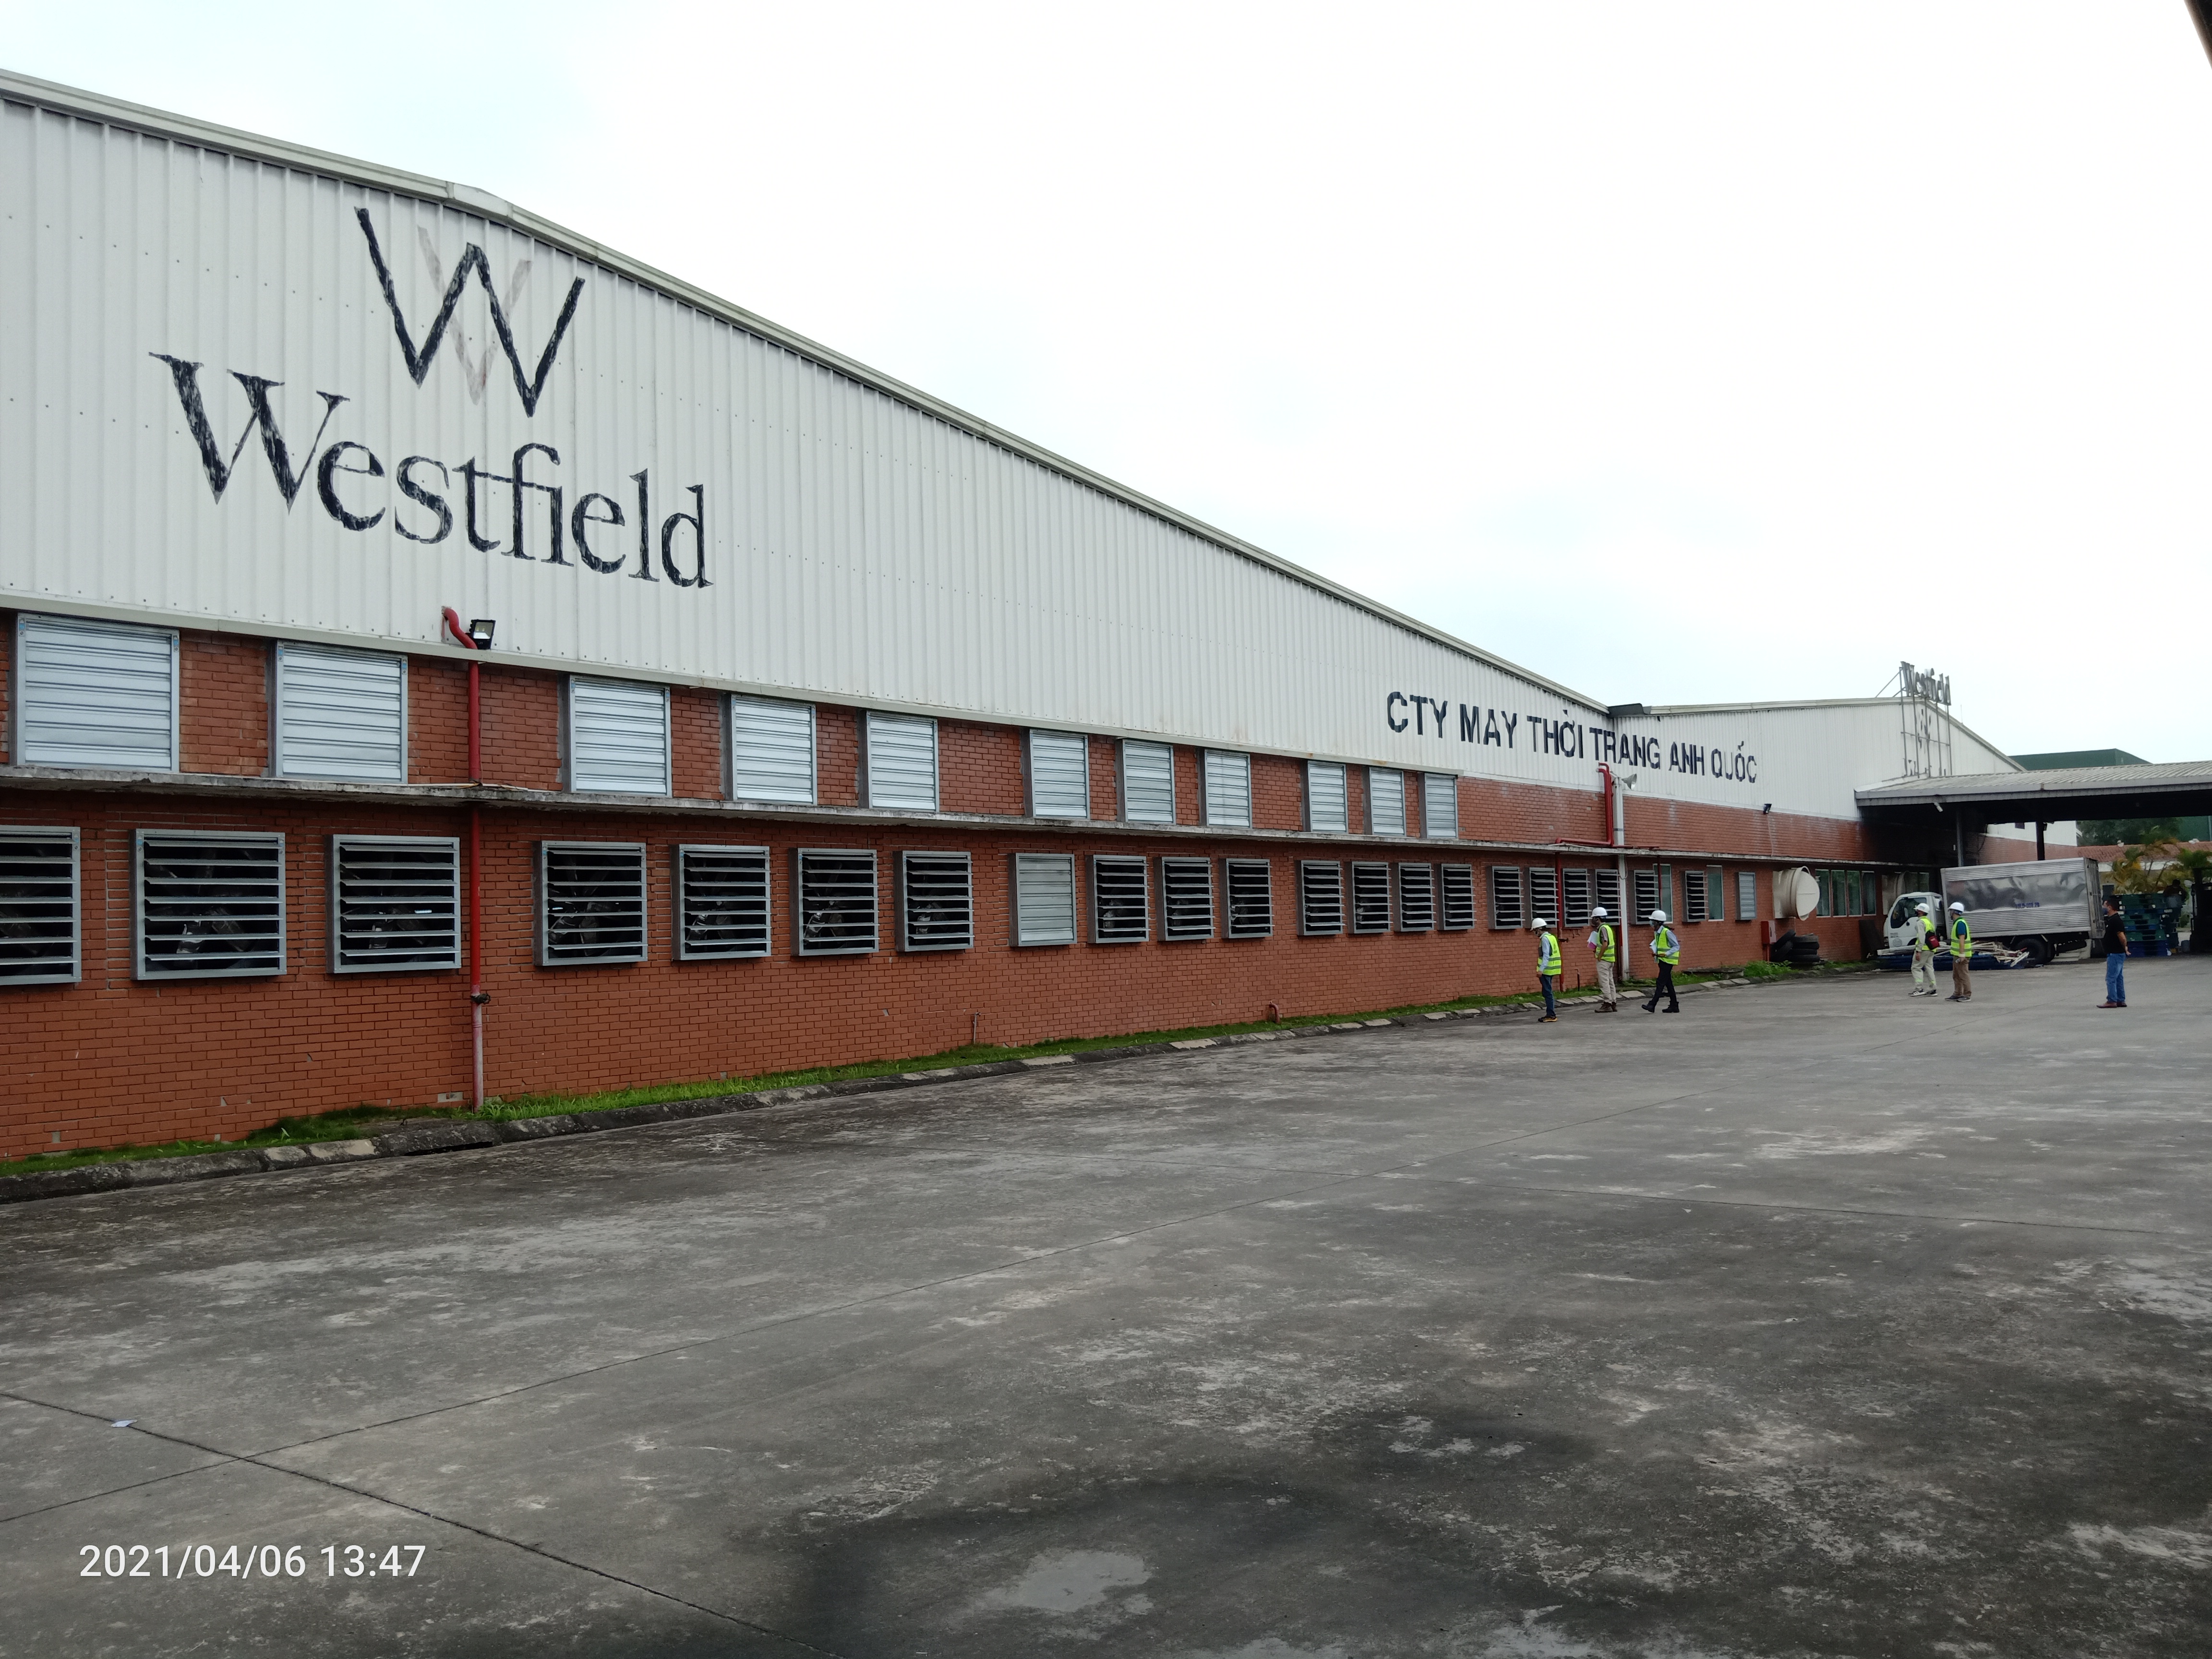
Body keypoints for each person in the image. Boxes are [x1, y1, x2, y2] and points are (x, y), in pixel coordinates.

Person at [1642, 910, 1681, 1013]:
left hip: (1668, 961)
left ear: (1658, 922)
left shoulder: (1667, 932)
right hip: (1662, 961)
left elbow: (1676, 946)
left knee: (1660, 983)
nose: (1651, 923)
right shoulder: (1657, 932)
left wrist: (1666, 954)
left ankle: (1652, 1004)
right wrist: (1656, 952)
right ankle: (1674, 1005)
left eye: (1653, 921)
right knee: (1668, 984)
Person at [2099, 896, 2128, 1008]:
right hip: (2116, 953)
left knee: (2111, 978)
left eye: (2105, 906)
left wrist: (2125, 947)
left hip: (2115, 954)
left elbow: (2122, 937)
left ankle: (2112, 1000)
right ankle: (2121, 1000)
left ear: (2110, 907)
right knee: (2118, 978)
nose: (2103, 908)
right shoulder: (2112, 920)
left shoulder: (2116, 921)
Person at [1588, 906, 1619, 1011]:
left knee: (1604, 982)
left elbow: (1605, 944)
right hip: (1610, 960)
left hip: (1604, 960)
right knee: (1610, 982)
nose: (1592, 920)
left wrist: (1600, 956)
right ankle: (1613, 1002)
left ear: (1598, 919)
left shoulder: (1602, 929)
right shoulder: (1608, 928)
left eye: (1593, 918)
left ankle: (1607, 1003)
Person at [1945, 901, 1973, 1002]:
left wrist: (1962, 954)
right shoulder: (1957, 923)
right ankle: (1958, 993)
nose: (1950, 913)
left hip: (1961, 955)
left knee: (1963, 975)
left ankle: (1967, 995)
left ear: (1954, 912)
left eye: (1951, 911)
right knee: (1957, 976)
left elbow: (1962, 940)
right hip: (1957, 955)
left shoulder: (1960, 924)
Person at [1533, 918, 1561, 1022]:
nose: (1535, 933)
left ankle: (1551, 1015)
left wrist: (1541, 970)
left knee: (1547, 992)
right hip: (1552, 969)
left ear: (1539, 929)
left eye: (1535, 930)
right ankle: (1551, 1014)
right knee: (1547, 991)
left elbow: (1546, 956)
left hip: (1546, 970)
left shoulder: (1545, 939)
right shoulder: (1551, 937)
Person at [1908, 902, 1938, 997]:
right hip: (1931, 949)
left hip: (1924, 949)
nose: (1916, 912)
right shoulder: (1929, 922)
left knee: (1916, 968)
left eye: (1917, 910)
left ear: (1920, 912)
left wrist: (1918, 951)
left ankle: (1919, 989)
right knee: (1929, 968)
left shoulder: (1920, 922)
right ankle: (1933, 988)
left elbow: (1921, 938)